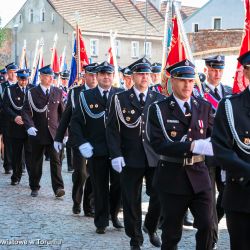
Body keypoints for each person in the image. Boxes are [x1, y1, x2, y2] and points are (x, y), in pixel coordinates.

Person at [148, 59, 214, 250]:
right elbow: (159, 144)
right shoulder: (159, 109)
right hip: (172, 176)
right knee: (171, 233)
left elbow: (213, 139)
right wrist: (192, 145)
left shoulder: (203, 106)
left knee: (207, 225)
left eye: (191, 80)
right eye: (182, 80)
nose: (187, 85)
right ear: (172, 81)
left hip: (200, 175)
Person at [106, 57, 164, 250]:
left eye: (147, 74)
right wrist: (115, 154)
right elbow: (112, 129)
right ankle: (135, 239)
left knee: (160, 194)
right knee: (131, 200)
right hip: (130, 156)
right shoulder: (120, 99)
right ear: (133, 76)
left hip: (155, 156)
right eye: (141, 73)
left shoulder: (159, 99)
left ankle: (151, 225)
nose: (145, 77)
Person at [70, 61, 123, 234]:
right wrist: (82, 143)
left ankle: (114, 214)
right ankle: (101, 221)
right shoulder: (86, 96)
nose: (106, 77)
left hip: (118, 151)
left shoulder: (121, 94)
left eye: (109, 74)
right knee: (99, 187)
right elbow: (75, 123)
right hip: (96, 150)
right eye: (102, 74)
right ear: (97, 76)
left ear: (113, 76)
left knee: (118, 185)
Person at [211, 50, 250, 250]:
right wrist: (246, 171)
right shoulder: (230, 107)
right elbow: (220, 149)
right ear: (246, 73)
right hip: (241, 196)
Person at [54, 63, 98, 215]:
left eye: (95, 75)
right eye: (90, 75)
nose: (93, 78)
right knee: (80, 172)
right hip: (78, 139)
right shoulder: (75, 93)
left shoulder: (102, 93)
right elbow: (66, 116)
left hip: (96, 140)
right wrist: (59, 137)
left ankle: (89, 206)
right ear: (84, 76)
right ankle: (77, 201)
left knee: (93, 174)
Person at [202, 55, 232, 248]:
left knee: (227, 194)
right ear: (206, 70)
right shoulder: (197, 90)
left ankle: (214, 222)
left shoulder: (229, 92)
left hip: (227, 153)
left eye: (220, 70)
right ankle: (210, 235)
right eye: (213, 70)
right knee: (208, 197)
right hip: (206, 154)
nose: (217, 74)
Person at [21, 65, 65, 198]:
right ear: (41, 77)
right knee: (36, 161)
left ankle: (58, 188)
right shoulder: (32, 92)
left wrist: (65, 133)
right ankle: (34, 186)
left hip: (53, 133)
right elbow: (26, 111)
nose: (51, 78)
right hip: (37, 133)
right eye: (47, 76)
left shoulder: (57, 91)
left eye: (52, 76)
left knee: (56, 161)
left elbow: (62, 114)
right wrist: (29, 126)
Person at [3, 69, 32, 185]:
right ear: (18, 78)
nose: (24, 82)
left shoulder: (32, 89)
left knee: (30, 154)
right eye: (22, 79)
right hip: (16, 127)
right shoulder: (10, 90)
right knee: (17, 154)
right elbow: (5, 107)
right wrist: (14, 117)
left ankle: (33, 180)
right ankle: (16, 176)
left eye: (26, 79)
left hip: (29, 127)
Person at [1, 63, 19, 174]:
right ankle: (8, 165)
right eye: (11, 72)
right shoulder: (2, 86)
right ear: (7, 73)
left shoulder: (20, 85)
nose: (13, 74)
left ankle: (20, 165)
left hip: (19, 119)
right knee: (8, 141)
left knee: (18, 142)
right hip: (6, 118)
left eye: (15, 72)